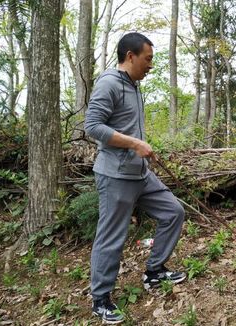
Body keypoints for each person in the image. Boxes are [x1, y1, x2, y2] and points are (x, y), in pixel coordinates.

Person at [85, 33, 186, 324]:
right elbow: (93, 126)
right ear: (130, 56)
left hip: (140, 173)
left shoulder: (134, 85)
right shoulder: (109, 83)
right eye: (148, 59)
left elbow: (126, 125)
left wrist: (141, 148)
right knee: (112, 237)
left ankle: (154, 271)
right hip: (115, 175)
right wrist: (134, 143)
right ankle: (101, 298)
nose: (150, 65)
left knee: (173, 212)